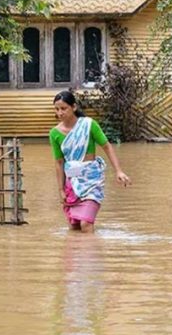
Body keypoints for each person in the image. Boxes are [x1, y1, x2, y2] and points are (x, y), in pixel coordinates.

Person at [49, 91, 131, 232]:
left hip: (91, 181)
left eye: (63, 108)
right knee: (74, 227)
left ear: (74, 107)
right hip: (72, 183)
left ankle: (91, 246)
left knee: (86, 224)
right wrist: (61, 190)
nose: (60, 113)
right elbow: (59, 162)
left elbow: (106, 146)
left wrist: (119, 171)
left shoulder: (88, 125)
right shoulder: (54, 133)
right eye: (57, 109)